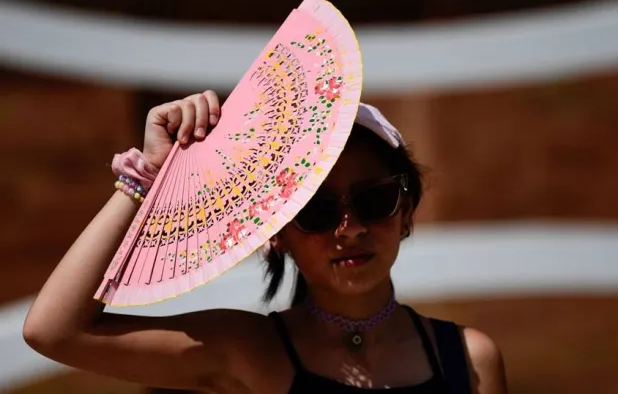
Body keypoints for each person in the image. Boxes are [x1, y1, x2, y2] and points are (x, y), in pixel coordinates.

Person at [23, 90, 507, 393]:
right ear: (275, 236)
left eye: (375, 200)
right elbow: (53, 331)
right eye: (316, 211)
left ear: (405, 211)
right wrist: (148, 178)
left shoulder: (470, 358)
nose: (351, 227)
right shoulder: (248, 351)